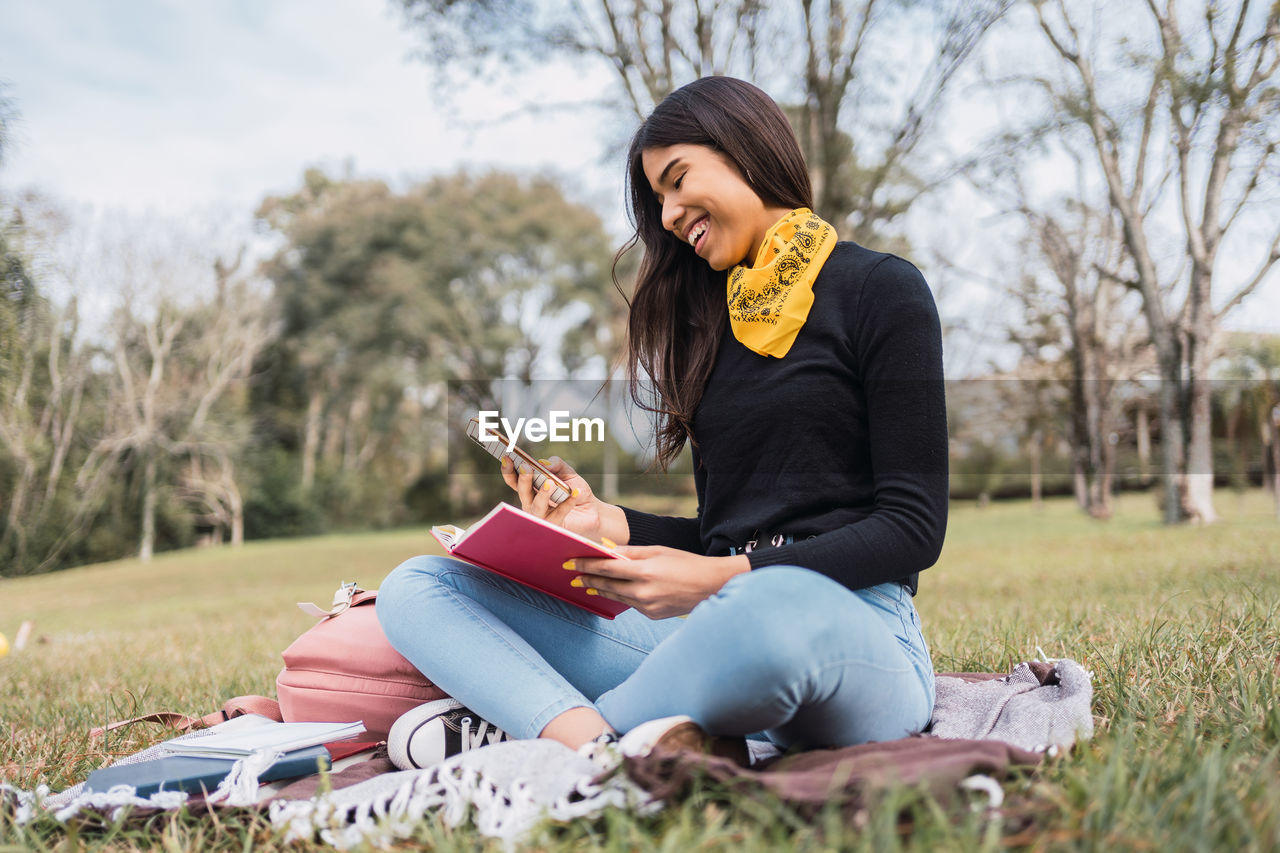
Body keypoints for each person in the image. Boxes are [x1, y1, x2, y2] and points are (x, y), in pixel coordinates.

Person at [376, 76, 948, 768]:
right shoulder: (713, 335)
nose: (671, 214)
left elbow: (912, 528)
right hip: (711, 630)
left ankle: (548, 743)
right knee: (418, 585)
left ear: (745, 147)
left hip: (843, 626)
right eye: (659, 201)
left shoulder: (881, 290)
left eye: (677, 182)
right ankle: (600, 747)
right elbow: (723, 532)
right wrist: (605, 523)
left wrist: (719, 579)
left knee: (767, 607)